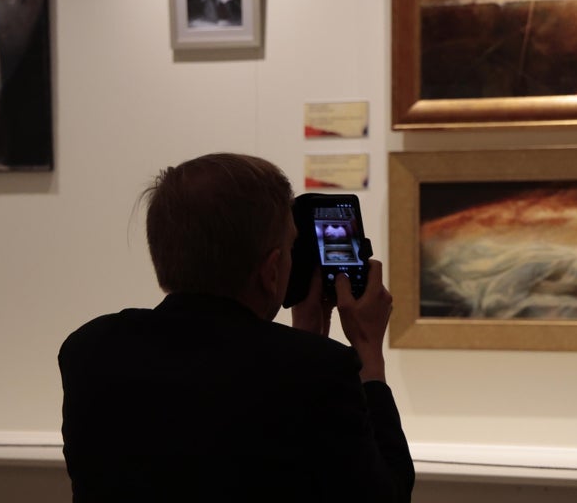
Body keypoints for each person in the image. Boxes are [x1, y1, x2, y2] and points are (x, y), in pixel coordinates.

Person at [58, 153, 414, 501]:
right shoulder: (320, 370)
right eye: (291, 248)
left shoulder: (89, 350)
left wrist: (305, 339)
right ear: (272, 270)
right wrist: (367, 352)